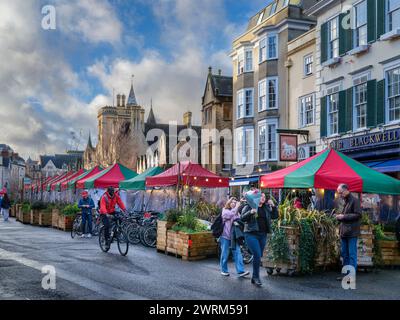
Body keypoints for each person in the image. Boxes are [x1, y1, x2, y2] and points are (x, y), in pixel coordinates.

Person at [241, 192, 278, 287]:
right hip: (251, 234)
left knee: (259, 255)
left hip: (263, 235)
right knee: (257, 254)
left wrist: (273, 206)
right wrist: (251, 212)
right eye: (261, 196)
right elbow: (242, 218)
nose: (263, 198)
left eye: (264, 196)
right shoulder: (249, 206)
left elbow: (275, 216)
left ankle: (254, 277)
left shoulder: (266, 207)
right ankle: (256, 277)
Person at [335, 183, 362, 280]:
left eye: (341, 193)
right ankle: (346, 275)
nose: (340, 195)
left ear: (346, 190)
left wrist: (343, 216)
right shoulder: (344, 201)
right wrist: (338, 216)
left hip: (352, 232)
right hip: (344, 232)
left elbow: (358, 215)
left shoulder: (355, 201)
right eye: (339, 193)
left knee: (351, 255)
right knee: (345, 254)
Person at [219, 197, 250, 278]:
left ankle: (240, 271)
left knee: (238, 253)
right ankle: (224, 270)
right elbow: (230, 215)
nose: (233, 204)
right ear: (229, 203)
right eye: (232, 202)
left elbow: (241, 220)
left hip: (234, 237)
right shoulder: (225, 211)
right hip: (225, 236)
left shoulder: (237, 213)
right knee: (225, 254)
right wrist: (237, 207)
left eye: (235, 203)